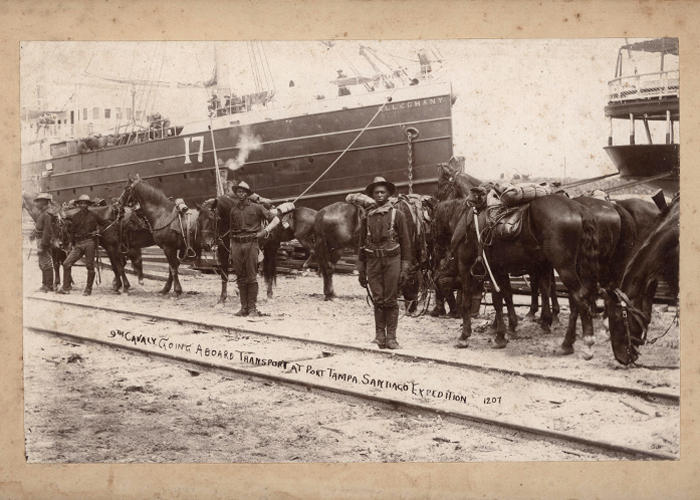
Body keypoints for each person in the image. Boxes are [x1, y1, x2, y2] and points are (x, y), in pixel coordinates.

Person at [356, 177, 412, 349]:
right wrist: (361, 271)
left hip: (392, 261)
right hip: (373, 262)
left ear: (388, 194)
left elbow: (406, 244)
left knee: (391, 300)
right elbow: (361, 245)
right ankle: (380, 336)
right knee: (378, 299)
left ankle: (392, 338)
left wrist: (404, 269)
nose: (379, 195)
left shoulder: (398, 215)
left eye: (383, 192)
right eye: (376, 193)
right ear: (372, 195)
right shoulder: (367, 218)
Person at [229, 181, 280, 316]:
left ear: (247, 194)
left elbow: (276, 220)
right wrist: (231, 249)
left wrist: (264, 231)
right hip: (236, 244)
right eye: (238, 192)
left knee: (251, 276)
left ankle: (252, 308)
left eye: (243, 192)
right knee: (240, 276)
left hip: (251, 244)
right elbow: (231, 231)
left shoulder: (257, 208)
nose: (240, 194)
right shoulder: (233, 210)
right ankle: (244, 308)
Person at [57, 195, 107, 296]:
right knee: (66, 263)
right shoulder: (75, 216)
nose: (83, 205)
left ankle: (88, 289)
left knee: (90, 266)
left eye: (85, 203)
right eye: (81, 203)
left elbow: (105, 223)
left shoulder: (94, 215)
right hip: (78, 244)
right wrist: (70, 244)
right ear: (78, 205)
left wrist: (98, 231)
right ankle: (66, 288)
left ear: (88, 205)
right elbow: (72, 231)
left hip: (90, 242)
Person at [33, 193, 55, 292]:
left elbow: (47, 232)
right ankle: (44, 284)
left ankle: (49, 285)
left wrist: (42, 245)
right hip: (40, 240)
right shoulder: (41, 213)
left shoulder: (47, 215)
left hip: (44, 241)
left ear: (43, 203)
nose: (36, 204)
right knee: (42, 263)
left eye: (38, 202)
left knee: (46, 263)